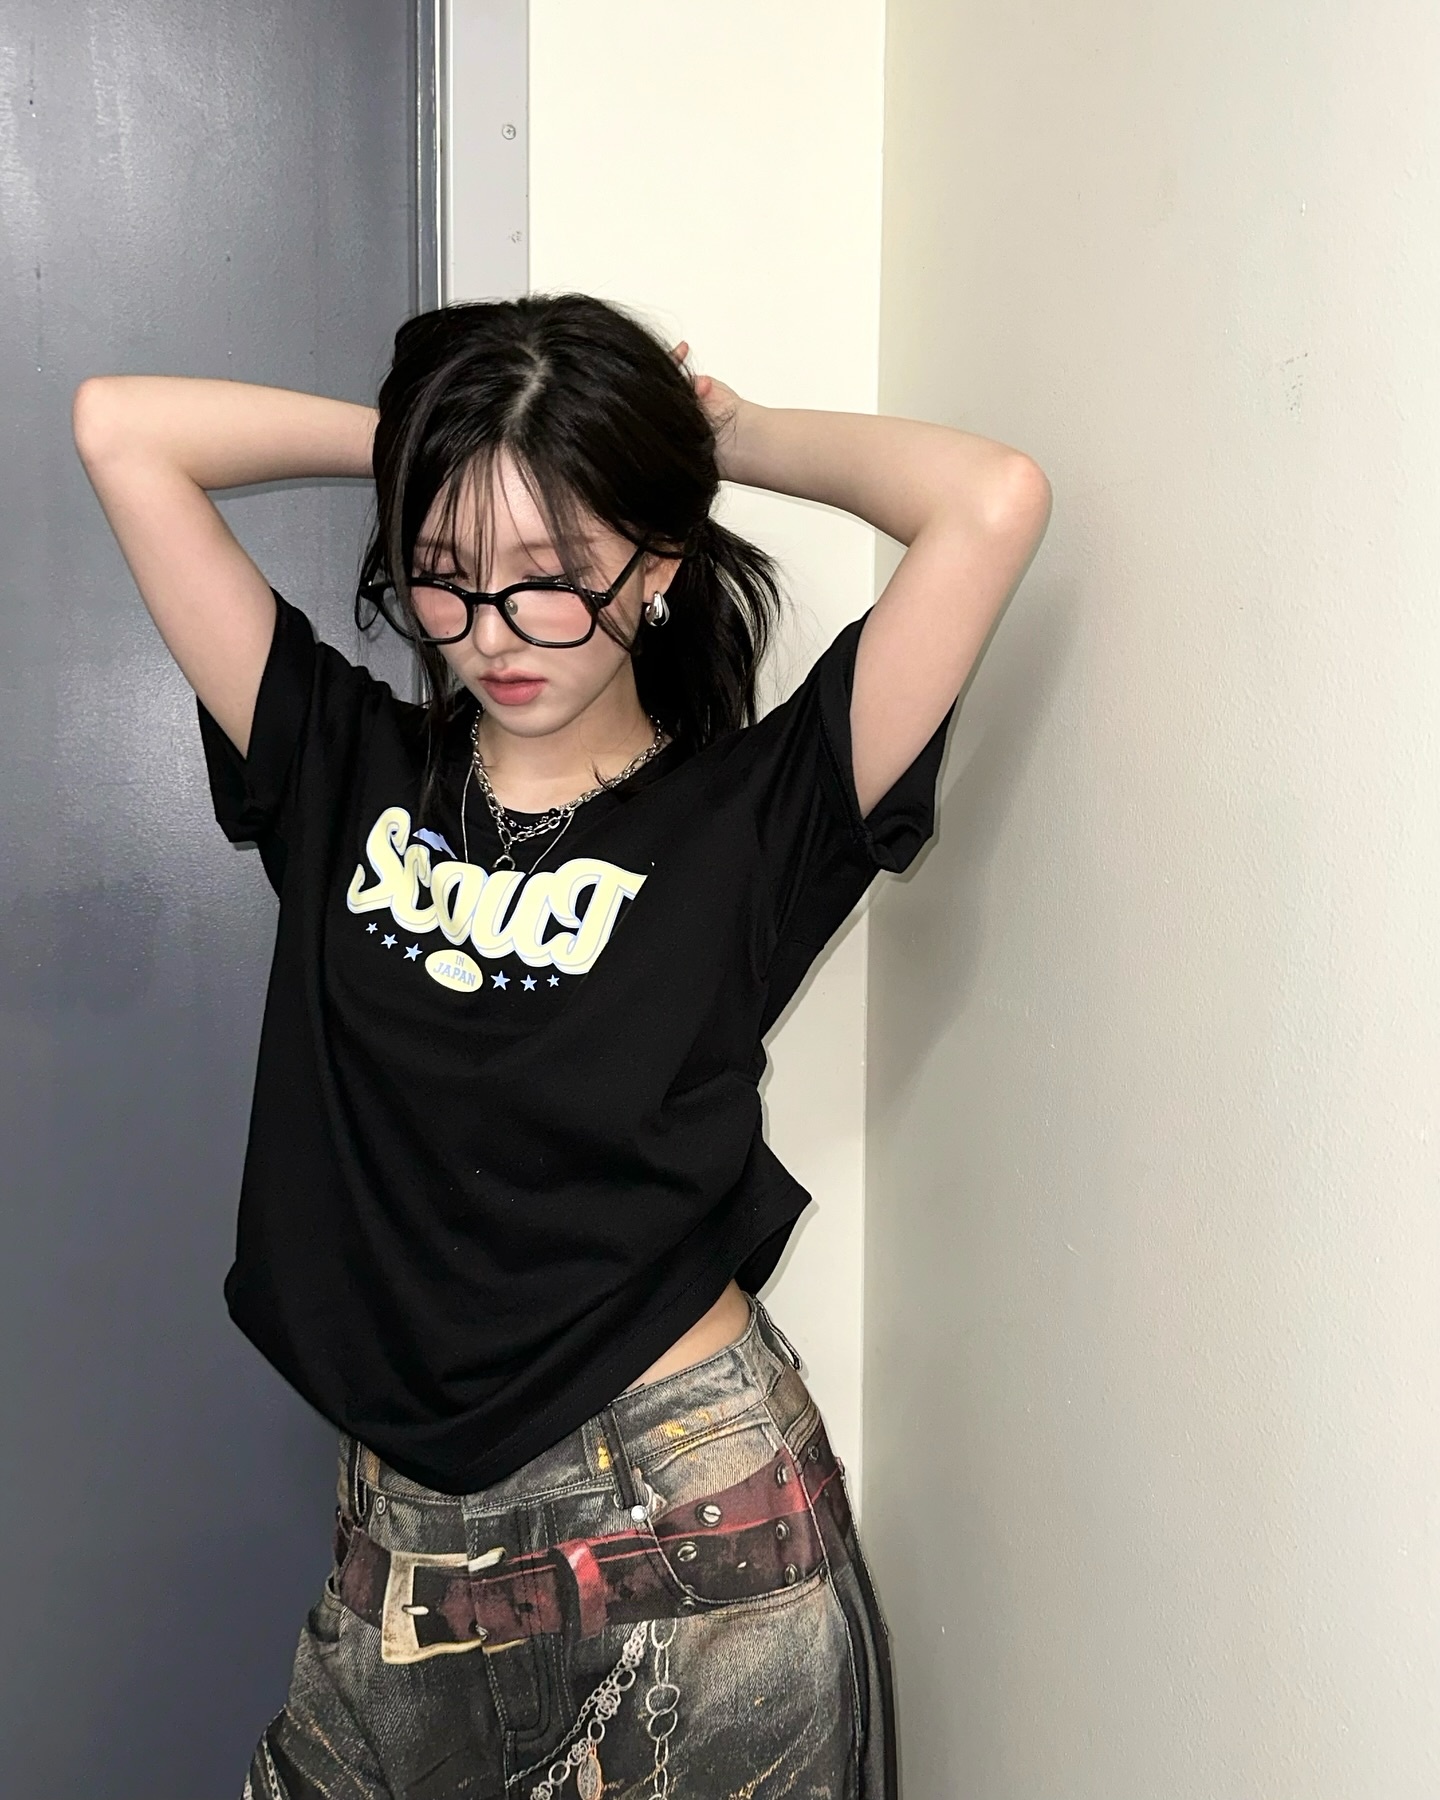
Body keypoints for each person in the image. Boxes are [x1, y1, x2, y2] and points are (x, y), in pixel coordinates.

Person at [72, 292, 1050, 1800]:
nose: (491, 634)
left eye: (552, 576)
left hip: (693, 1536)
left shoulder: (757, 813)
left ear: (657, 564)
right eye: (447, 577)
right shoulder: (340, 760)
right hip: (405, 1543)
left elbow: (990, 501)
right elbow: (122, 431)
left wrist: (714, 438)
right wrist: (449, 443)